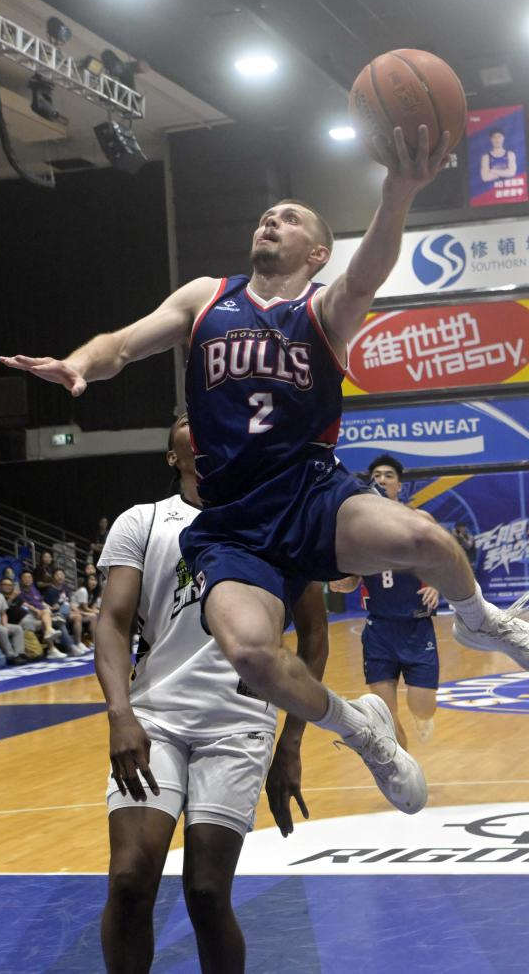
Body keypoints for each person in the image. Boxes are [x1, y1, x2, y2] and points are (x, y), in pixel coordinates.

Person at [3, 123, 529, 814]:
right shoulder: (206, 298)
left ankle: (479, 619)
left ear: (316, 252)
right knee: (250, 654)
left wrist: (398, 190)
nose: (271, 220)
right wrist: (79, 364)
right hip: (232, 522)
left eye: (290, 218)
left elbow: (369, 272)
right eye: (267, 215)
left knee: (426, 538)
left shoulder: (324, 309)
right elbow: (121, 345)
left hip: (311, 495)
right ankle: (360, 728)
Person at [95, 414, 328, 974]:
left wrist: (291, 743)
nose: (198, 426)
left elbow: (315, 636)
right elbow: (113, 622)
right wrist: (120, 715)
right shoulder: (142, 522)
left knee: (206, 892)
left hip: (238, 724)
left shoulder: (273, 521)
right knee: (129, 880)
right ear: (173, 457)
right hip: (155, 720)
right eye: (186, 427)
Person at [331, 455, 440, 747]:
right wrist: (342, 583)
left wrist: (437, 585)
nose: (382, 479)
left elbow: (444, 559)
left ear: (399, 486)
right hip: (378, 628)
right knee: (385, 713)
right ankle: (403, 766)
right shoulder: (356, 531)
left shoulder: (418, 520)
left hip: (416, 626)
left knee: (423, 706)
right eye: (376, 475)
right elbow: (352, 578)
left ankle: (423, 716)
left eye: (389, 475)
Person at [17, 569, 69, 659]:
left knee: (55, 619)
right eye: (25, 577)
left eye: (29, 577)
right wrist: (36, 610)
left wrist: (49, 607)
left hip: (42, 614)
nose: (27, 579)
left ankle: (52, 646)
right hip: (31, 615)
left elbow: (41, 602)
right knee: (50, 618)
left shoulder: (34, 589)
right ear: (21, 580)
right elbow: (24, 604)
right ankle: (56, 647)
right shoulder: (19, 592)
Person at [45, 568, 90, 654]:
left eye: (62, 575)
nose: (60, 577)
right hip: (56, 615)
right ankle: (71, 647)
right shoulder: (49, 590)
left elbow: (69, 602)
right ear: (53, 577)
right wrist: (55, 607)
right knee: (60, 621)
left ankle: (78, 643)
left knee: (78, 617)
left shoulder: (65, 588)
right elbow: (51, 608)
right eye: (57, 575)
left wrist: (76, 610)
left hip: (67, 612)